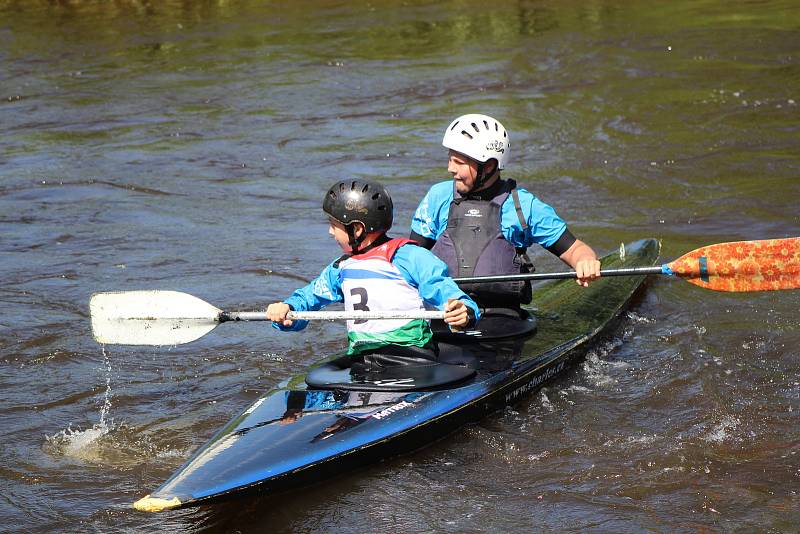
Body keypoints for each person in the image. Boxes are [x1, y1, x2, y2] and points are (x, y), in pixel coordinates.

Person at [266, 179, 480, 365]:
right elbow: (309, 298)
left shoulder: (410, 257)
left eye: (334, 225)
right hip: (364, 360)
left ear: (357, 229)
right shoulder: (342, 267)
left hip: (414, 360)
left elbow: (447, 292)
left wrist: (465, 311)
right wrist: (288, 310)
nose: (330, 232)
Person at [410, 113, 601, 310]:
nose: (450, 168)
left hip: (501, 322)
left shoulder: (523, 206)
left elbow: (575, 249)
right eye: (450, 159)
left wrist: (586, 261)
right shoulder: (438, 197)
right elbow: (410, 257)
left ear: (489, 166)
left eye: (459, 163)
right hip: (443, 315)